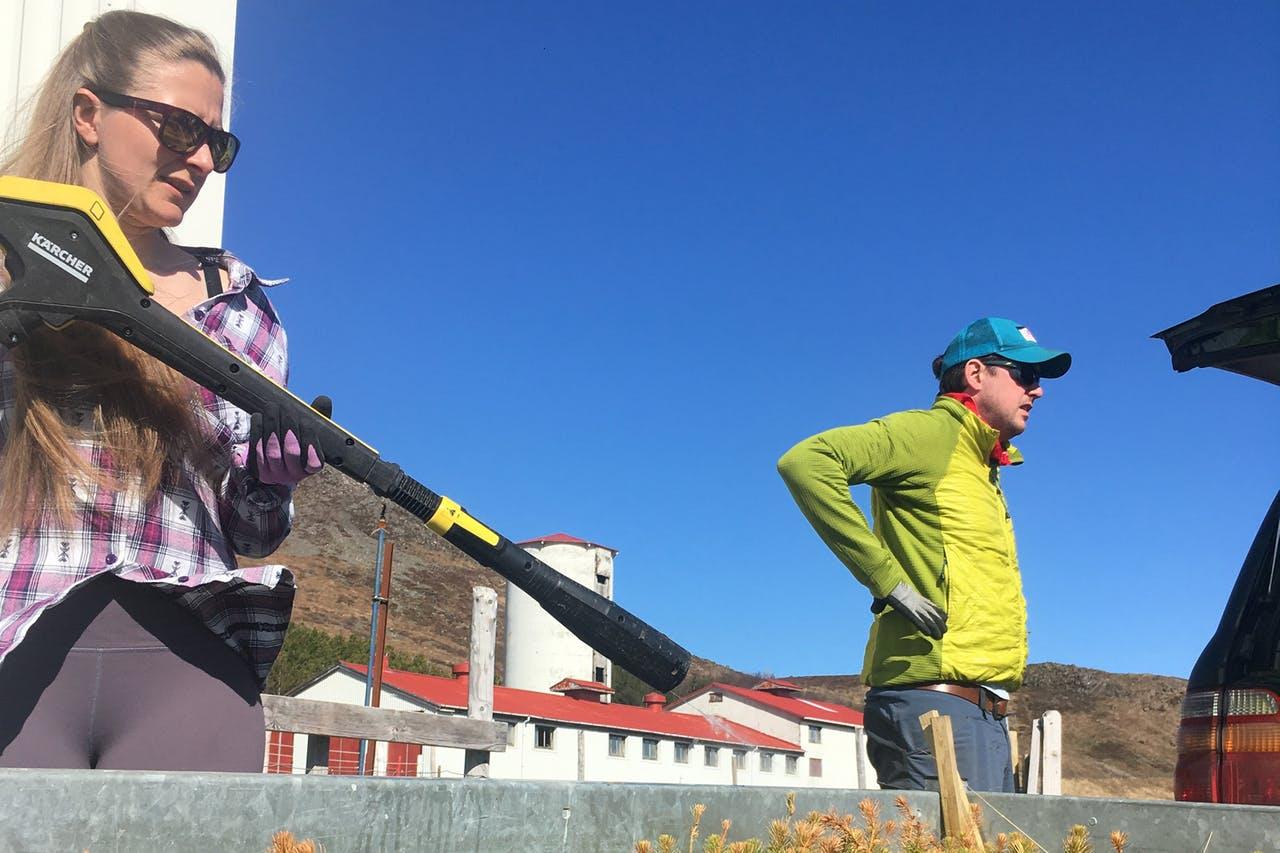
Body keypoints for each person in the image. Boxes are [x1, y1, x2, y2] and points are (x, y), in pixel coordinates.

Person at [0, 10, 323, 771]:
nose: (202, 158)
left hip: (188, 664)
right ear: (90, 114)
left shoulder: (240, 307)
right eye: (180, 128)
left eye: (217, 141)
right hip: (18, 632)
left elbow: (248, 533)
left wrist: (269, 482)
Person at [777, 317, 1070, 793]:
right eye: (1025, 375)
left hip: (980, 710)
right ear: (976, 375)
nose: (1037, 391)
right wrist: (886, 580)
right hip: (936, 706)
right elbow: (807, 462)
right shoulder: (931, 435)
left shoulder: (980, 464)